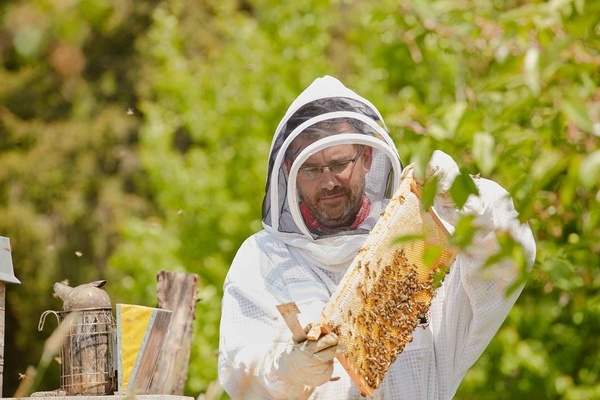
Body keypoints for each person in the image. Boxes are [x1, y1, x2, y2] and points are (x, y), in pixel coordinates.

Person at [218, 75, 536, 399]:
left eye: (339, 163)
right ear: (290, 171)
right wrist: (284, 368)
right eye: (311, 169)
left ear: (367, 157)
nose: (328, 182)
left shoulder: (420, 240)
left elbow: (509, 258)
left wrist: (468, 201)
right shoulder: (263, 260)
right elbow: (240, 367)